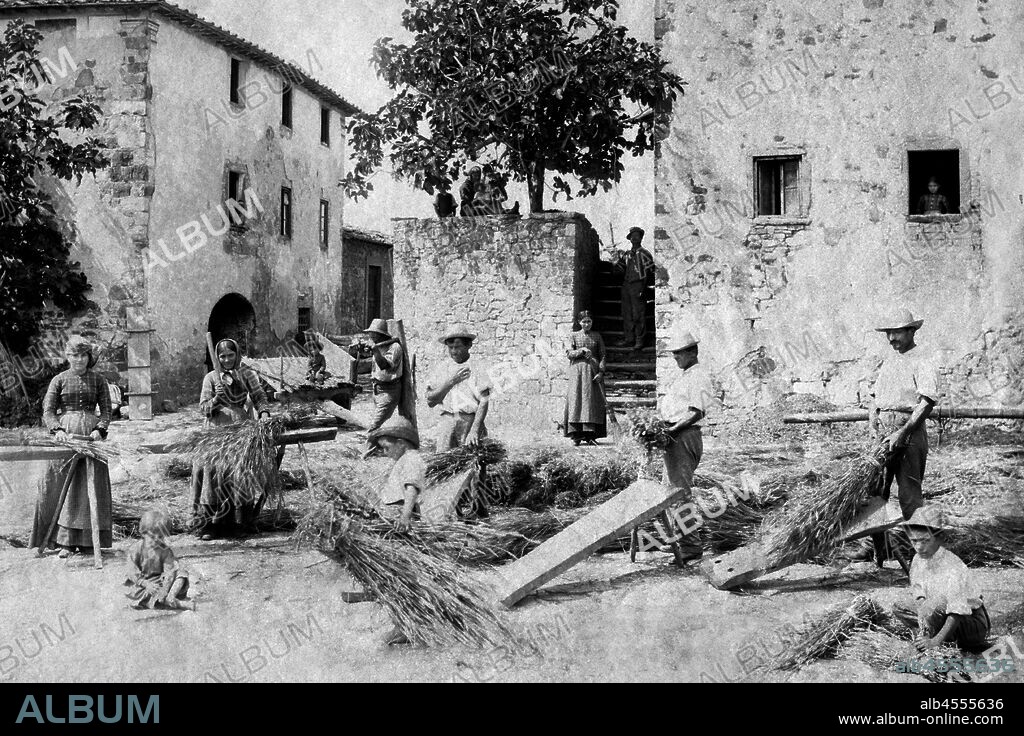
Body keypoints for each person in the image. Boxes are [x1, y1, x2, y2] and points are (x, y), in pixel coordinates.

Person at [855, 308, 938, 564]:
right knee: (875, 494)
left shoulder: (922, 359)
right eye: (888, 333)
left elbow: (926, 402)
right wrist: (873, 427)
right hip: (883, 433)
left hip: (909, 432)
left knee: (909, 495)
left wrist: (904, 432)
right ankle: (877, 551)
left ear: (912, 331)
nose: (891, 338)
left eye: (897, 332)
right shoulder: (890, 361)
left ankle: (923, 558)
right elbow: (874, 399)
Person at [33, 336, 113, 558]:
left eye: (83, 355)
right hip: (65, 437)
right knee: (63, 487)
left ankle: (89, 541)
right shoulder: (58, 380)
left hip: (92, 439)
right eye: (74, 355)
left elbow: (106, 410)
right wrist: (57, 430)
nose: (79, 360)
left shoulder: (98, 380)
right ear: (67, 357)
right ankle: (65, 542)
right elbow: (48, 411)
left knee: (90, 488)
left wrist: (100, 429)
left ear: (89, 357)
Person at [190, 338, 272, 540]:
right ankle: (210, 525)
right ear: (217, 358)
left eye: (230, 355)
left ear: (237, 355)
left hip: (239, 428)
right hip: (215, 429)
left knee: (237, 471)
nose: (226, 359)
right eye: (222, 356)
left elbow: (260, 397)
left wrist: (264, 413)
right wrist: (216, 400)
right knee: (209, 470)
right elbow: (203, 408)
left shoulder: (247, 374)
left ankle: (238, 523)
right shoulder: (210, 378)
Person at [657, 329, 716, 561]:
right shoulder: (686, 375)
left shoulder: (699, 376)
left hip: (684, 436)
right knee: (669, 491)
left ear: (693, 352)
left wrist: (671, 430)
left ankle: (691, 546)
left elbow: (696, 413)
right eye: (674, 354)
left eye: (679, 354)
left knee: (679, 494)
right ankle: (676, 539)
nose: (675, 358)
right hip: (675, 436)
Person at [370, 416, 425, 645]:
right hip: (393, 521)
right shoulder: (404, 460)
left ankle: (406, 625)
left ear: (402, 442)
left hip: (401, 523)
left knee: (400, 574)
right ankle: (402, 622)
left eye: (386, 447)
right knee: (394, 573)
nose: (384, 453)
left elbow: (411, 488)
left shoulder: (412, 459)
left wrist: (404, 517)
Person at [903, 506, 990, 651]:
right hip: (939, 610)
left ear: (940, 538)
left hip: (970, 623)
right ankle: (928, 632)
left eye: (925, 541)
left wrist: (935, 641)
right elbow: (918, 593)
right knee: (900, 606)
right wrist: (924, 616)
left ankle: (940, 640)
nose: (919, 547)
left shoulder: (953, 566)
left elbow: (957, 611)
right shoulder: (918, 559)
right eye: (914, 541)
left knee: (935, 605)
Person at [426, 325, 491, 451]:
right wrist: (450, 382)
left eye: (458, 347)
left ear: (468, 346)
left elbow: (484, 401)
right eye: (450, 347)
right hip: (448, 422)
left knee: (472, 462)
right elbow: (430, 400)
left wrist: (474, 431)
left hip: (469, 422)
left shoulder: (477, 367)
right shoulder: (442, 368)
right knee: (443, 464)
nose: (454, 351)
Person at [124, 508, 196, 611]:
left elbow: (170, 571)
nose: (157, 540)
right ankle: (175, 603)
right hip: (144, 584)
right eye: (153, 537)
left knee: (182, 573)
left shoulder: (165, 550)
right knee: (141, 593)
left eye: (161, 537)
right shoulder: (136, 549)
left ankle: (171, 596)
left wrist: (165, 590)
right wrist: (145, 583)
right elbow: (131, 571)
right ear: (143, 533)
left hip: (161, 581)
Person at [361, 319, 404, 457]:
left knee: (374, 425)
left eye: (374, 334)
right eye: (370, 334)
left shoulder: (394, 347)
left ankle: (364, 453)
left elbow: (385, 365)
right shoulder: (378, 345)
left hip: (389, 390)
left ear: (382, 334)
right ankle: (379, 448)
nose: (371, 336)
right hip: (377, 389)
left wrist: (375, 352)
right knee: (381, 423)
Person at [563, 310, 607, 445]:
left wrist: (601, 372)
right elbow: (569, 354)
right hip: (577, 373)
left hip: (593, 374)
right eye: (584, 321)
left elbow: (603, 355)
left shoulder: (597, 336)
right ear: (579, 322)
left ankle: (590, 435)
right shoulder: (574, 336)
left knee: (591, 401)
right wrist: (581, 350)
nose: (586, 324)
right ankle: (576, 435)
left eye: (589, 321)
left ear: (592, 322)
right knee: (577, 400)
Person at [611, 227, 655, 350]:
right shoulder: (626, 255)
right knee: (627, 314)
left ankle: (639, 340)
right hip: (626, 286)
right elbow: (618, 271)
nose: (634, 238)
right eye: (632, 236)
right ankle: (629, 339)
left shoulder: (645, 254)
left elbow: (651, 272)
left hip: (638, 285)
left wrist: (643, 288)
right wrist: (615, 262)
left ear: (641, 238)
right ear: (630, 239)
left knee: (638, 315)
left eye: (637, 236)